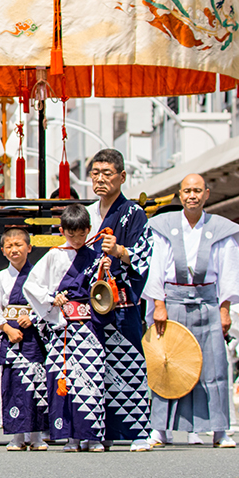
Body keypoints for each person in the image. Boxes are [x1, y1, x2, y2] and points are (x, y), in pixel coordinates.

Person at [144, 174, 239, 448]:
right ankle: (160, 429)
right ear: (180, 195)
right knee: (165, 364)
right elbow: (155, 268)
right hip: (173, 300)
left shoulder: (221, 229)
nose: (192, 195)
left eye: (197, 191)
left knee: (215, 366)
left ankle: (219, 429)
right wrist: (158, 304)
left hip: (208, 301)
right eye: (187, 191)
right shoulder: (164, 227)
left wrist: (225, 309)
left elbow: (229, 273)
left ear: (207, 194)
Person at [84, 149, 154, 452]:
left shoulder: (134, 214)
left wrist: (121, 251)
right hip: (91, 304)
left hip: (121, 302)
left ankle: (139, 433)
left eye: (107, 173)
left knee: (130, 366)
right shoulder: (87, 213)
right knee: (97, 369)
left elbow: (146, 255)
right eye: (95, 173)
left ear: (122, 176)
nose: (100, 179)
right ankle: (101, 431)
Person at [23, 204, 108, 452]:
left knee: (91, 379)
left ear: (88, 230)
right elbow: (33, 286)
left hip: (90, 325)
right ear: (62, 231)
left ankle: (92, 436)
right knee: (66, 379)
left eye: (82, 234)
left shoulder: (96, 257)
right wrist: (52, 298)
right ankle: (71, 436)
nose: (77, 239)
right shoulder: (54, 255)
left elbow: (102, 290)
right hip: (64, 328)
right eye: (71, 234)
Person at [0, 227, 47, 451]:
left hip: (33, 338)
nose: (14, 250)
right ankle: (17, 436)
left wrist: (33, 317)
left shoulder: (39, 276)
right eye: (9, 246)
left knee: (37, 385)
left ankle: (37, 436)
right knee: (13, 385)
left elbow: (46, 305)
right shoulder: (1, 279)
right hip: (10, 339)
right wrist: (7, 329)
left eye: (19, 245)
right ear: (3, 251)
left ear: (29, 247)